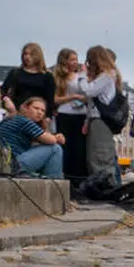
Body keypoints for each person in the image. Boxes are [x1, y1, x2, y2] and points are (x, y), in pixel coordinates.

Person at [75, 45, 124, 194]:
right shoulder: (104, 77)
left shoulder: (107, 76)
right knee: (94, 156)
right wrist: (87, 122)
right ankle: (98, 187)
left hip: (101, 121)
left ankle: (107, 187)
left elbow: (88, 91)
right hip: (95, 120)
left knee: (101, 155)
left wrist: (82, 75)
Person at [0, 97, 64, 178]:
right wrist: (57, 137)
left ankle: (49, 179)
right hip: (13, 164)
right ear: (25, 108)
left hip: (3, 162)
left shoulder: (12, 119)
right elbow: (51, 140)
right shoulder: (23, 121)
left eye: (43, 110)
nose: (40, 112)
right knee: (55, 148)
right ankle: (55, 182)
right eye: (36, 108)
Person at [51, 48, 88, 187]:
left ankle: (79, 180)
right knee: (65, 147)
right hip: (64, 113)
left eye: (76, 60)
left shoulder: (81, 76)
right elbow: (54, 99)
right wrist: (72, 97)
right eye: (71, 59)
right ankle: (65, 176)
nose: (74, 63)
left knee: (79, 149)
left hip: (81, 114)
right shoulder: (58, 78)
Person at [1, 44, 56, 114]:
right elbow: (3, 91)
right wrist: (7, 101)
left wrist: (48, 116)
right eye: (25, 54)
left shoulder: (47, 76)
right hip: (17, 111)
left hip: (38, 114)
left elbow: (50, 99)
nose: (27, 57)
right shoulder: (16, 73)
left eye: (31, 54)